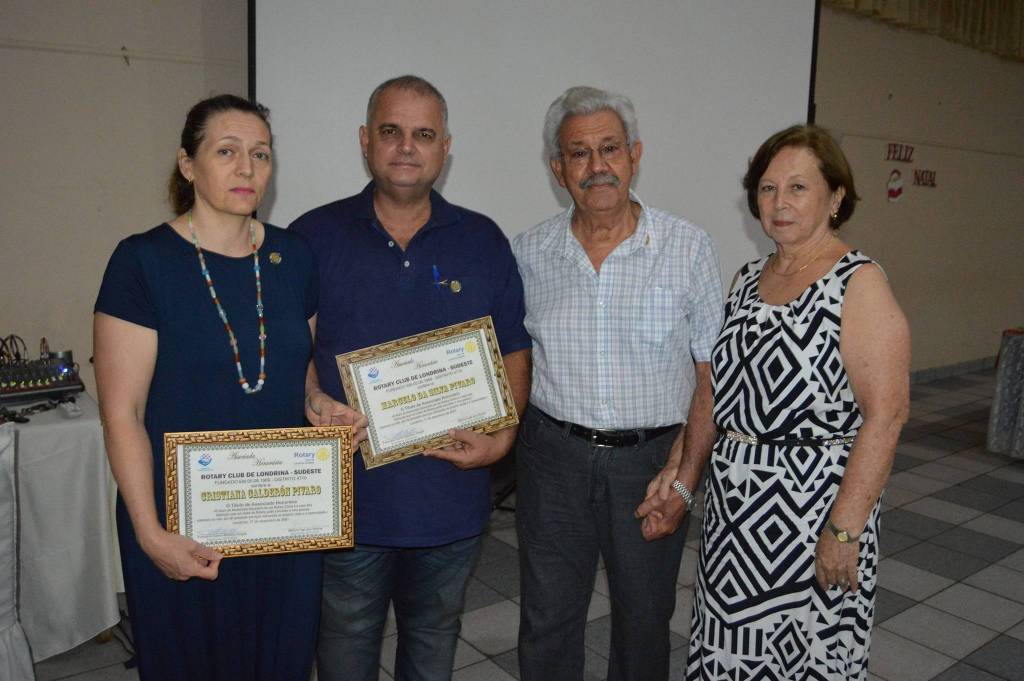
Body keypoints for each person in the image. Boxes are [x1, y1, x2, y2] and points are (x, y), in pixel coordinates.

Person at [94, 95, 351, 679]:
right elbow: (122, 412)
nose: (246, 168)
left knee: (280, 661)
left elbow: (297, 367)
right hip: (180, 519)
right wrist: (149, 533)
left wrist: (317, 401)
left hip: (282, 512)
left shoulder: (294, 256)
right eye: (227, 151)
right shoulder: (143, 262)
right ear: (188, 164)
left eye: (260, 154)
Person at [641, 124, 910, 679]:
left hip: (814, 512)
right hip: (735, 514)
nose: (779, 202)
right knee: (729, 650)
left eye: (798, 187)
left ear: (835, 198)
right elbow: (716, 391)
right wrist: (679, 471)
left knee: (803, 660)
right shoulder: (746, 279)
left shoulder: (858, 284)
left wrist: (844, 530)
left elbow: (886, 417)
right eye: (768, 188)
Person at [290, 75, 531, 681]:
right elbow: (292, 346)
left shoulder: (482, 239)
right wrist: (311, 394)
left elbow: (512, 348)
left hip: (448, 500)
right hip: (348, 501)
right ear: (365, 140)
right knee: (344, 645)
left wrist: (502, 438)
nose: (406, 147)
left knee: (432, 644)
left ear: (445, 147)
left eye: (423, 134)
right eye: (391, 131)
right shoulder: (312, 236)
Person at [511, 85, 723, 681]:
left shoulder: (687, 248)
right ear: (558, 169)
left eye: (610, 148)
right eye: (579, 153)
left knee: (644, 621)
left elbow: (712, 376)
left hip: (651, 462)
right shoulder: (527, 253)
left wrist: (685, 479)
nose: (596, 166)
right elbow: (507, 359)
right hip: (553, 461)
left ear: (635, 155)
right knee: (547, 619)